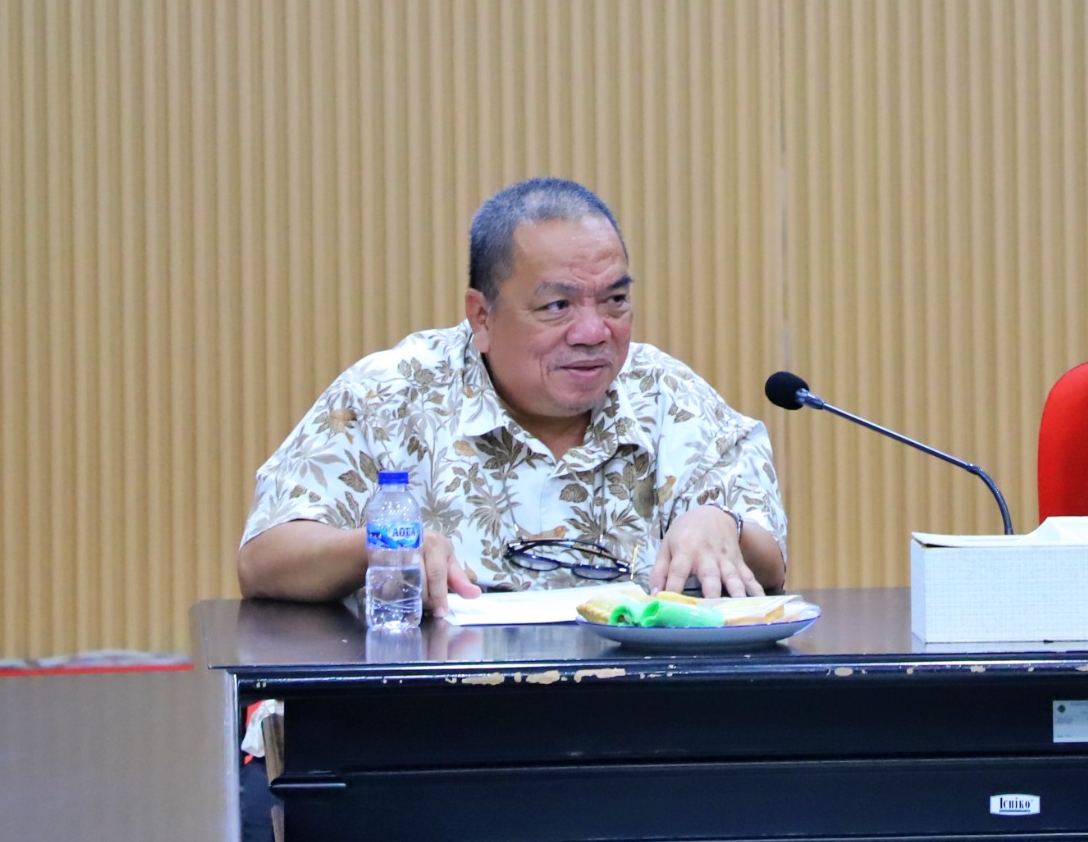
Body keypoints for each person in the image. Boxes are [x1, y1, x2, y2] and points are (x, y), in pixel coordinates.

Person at [238, 178, 789, 612]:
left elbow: (770, 560)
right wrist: (381, 545)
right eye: (557, 306)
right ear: (482, 316)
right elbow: (264, 558)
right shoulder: (390, 394)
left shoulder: (668, 395)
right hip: (437, 702)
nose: (593, 332)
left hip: (639, 702)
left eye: (615, 300)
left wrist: (725, 525)